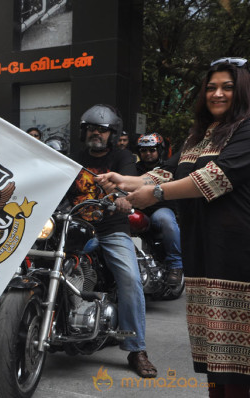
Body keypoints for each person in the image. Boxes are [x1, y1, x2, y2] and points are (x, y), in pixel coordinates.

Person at [96, 57, 250, 397]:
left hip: (236, 255)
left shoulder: (246, 128)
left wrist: (155, 195)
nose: (218, 94)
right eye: (211, 87)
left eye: (227, 87)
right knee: (214, 357)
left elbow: (214, 178)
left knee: (238, 363)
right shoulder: (200, 134)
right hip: (203, 250)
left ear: (241, 91)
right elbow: (167, 171)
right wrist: (125, 179)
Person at [68, 104, 157, 378]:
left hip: (111, 228)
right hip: (75, 226)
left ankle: (136, 348)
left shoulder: (122, 158)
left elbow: (130, 184)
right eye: (92, 129)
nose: (97, 133)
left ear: (111, 133)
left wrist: (122, 197)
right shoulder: (74, 157)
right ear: (85, 131)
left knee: (129, 278)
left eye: (103, 130)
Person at [134, 132, 183, 286]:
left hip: (160, 210)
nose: (147, 154)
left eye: (152, 150)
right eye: (143, 150)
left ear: (159, 150)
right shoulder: (132, 169)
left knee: (166, 220)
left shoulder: (167, 168)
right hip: (137, 210)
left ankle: (176, 265)